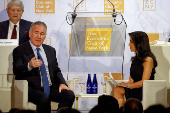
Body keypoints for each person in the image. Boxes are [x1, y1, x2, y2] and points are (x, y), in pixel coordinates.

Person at [12, 21, 75, 113]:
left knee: (69, 95)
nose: (39, 36)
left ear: (45, 36)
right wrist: (29, 65)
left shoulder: (50, 50)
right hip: (32, 89)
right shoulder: (20, 50)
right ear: (30, 33)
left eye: (42, 34)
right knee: (44, 98)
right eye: (36, 33)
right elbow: (16, 70)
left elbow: (56, 70)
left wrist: (62, 83)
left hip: (51, 87)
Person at [112, 31, 157, 108]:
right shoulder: (135, 59)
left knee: (118, 91)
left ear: (139, 43)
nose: (129, 44)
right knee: (118, 89)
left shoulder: (148, 59)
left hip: (143, 90)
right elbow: (131, 80)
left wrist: (126, 85)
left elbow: (144, 82)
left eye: (131, 42)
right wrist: (121, 84)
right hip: (134, 88)